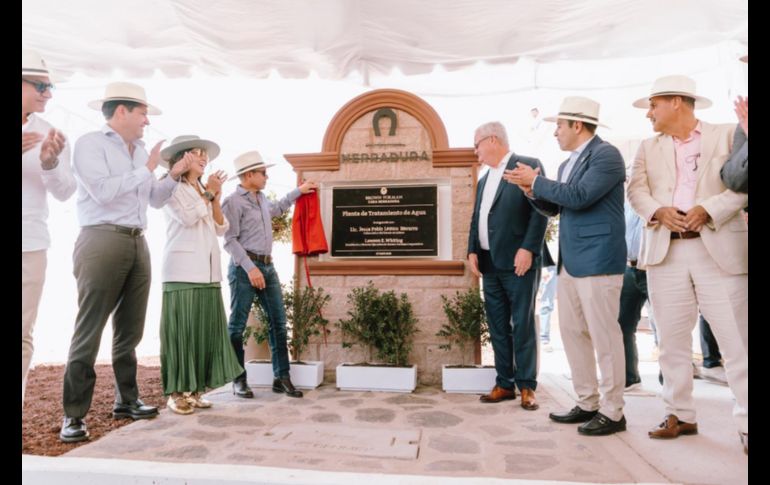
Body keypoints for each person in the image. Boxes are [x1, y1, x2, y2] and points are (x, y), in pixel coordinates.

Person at [60, 82, 188, 443]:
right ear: (121, 111)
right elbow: (101, 191)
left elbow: (155, 200)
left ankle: (127, 400)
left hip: (137, 241)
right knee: (90, 328)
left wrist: (173, 175)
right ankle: (73, 415)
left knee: (130, 330)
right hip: (100, 239)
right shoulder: (89, 144)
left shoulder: (142, 152)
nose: (148, 120)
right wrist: (146, 169)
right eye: (143, 112)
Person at [627, 75, 748, 454]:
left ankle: (746, 422)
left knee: (737, 342)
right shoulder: (647, 146)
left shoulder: (729, 134)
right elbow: (636, 190)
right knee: (671, 343)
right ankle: (679, 413)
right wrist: (658, 211)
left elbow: (741, 187)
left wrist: (707, 210)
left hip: (719, 249)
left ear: (676, 101)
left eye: (653, 105)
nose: (649, 114)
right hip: (666, 252)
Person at [504, 96, 628, 436]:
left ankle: (614, 411)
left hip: (600, 260)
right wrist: (531, 189)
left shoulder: (607, 155)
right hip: (571, 262)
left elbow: (580, 196)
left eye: (559, 125)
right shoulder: (564, 165)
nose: (555, 132)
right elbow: (558, 207)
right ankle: (587, 402)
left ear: (577, 125)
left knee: (605, 337)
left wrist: (537, 180)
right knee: (573, 335)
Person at [158, 135, 244, 415]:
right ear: (181, 158)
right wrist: (208, 194)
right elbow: (186, 217)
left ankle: (193, 391)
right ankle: (175, 394)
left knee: (202, 333)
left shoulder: (202, 189)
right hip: (181, 271)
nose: (204, 158)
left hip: (209, 272)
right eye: (197, 153)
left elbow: (221, 228)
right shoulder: (170, 187)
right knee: (181, 333)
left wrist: (214, 197)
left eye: (204, 153)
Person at [222, 151, 317, 399]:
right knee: (236, 327)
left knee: (278, 322)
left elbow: (277, 208)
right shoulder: (233, 201)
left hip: (268, 266)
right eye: (263, 172)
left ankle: (281, 378)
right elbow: (229, 240)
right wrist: (250, 268)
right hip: (245, 268)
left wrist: (300, 191)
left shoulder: (262, 199)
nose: (267, 176)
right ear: (248, 175)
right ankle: (238, 379)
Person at [467, 121, 549, 411]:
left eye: (477, 144)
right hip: (489, 264)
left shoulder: (527, 165)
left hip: (519, 263)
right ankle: (504, 383)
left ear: (492, 140)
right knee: (498, 325)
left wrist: (528, 248)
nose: (475, 151)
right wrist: (472, 250)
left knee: (522, 323)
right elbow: (477, 216)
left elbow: (541, 211)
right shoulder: (483, 179)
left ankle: (527, 386)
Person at [22, 48, 77, 405]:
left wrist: (51, 162)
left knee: (23, 334)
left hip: (31, 243)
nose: (48, 94)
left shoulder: (51, 134)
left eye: (50, 86)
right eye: (41, 85)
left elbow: (65, 191)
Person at [617, 202, 653, 392]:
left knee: (663, 328)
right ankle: (629, 378)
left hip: (655, 269)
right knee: (623, 325)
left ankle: (671, 383)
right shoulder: (626, 202)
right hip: (629, 269)